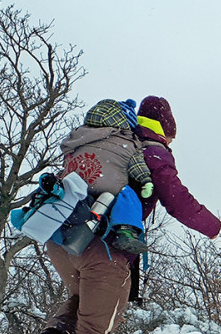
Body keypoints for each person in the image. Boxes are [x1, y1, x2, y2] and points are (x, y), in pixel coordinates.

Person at [32, 95, 221, 334]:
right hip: (104, 247)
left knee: (83, 303)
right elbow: (176, 199)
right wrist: (212, 226)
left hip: (62, 239)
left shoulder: (99, 139)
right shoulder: (152, 151)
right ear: (166, 129)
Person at [58, 98, 154, 254]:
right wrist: (146, 181)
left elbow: (66, 154)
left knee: (54, 188)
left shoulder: (80, 134)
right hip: (108, 187)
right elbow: (137, 165)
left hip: (74, 182)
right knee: (128, 197)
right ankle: (126, 231)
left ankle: (28, 215)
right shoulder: (128, 141)